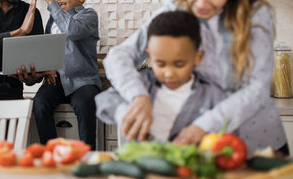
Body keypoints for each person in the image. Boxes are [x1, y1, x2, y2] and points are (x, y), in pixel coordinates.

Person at [103, 0, 288, 156]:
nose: (201, 3)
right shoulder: (175, 9)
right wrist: (138, 95)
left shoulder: (255, 15)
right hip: (202, 143)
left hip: (256, 142)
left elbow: (257, 90)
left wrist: (203, 126)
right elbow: (118, 56)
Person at [96, 11, 226, 143]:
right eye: (160, 64)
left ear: (198, 58)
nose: (169, 74)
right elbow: (105, 100)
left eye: (179, 64)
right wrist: (123, 112)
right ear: (150, 55)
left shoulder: (212, 95)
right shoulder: (143, 83)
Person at [32, 0, 102, 149]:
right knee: (39, 104)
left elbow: (72, 30)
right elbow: (48, 47)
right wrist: (47, 68)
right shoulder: (53, 19)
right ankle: (53, 152)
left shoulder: (88, 16)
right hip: (57, 80)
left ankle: (87, 155)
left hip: (83, 81)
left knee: (85, 104)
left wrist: (49, 1)